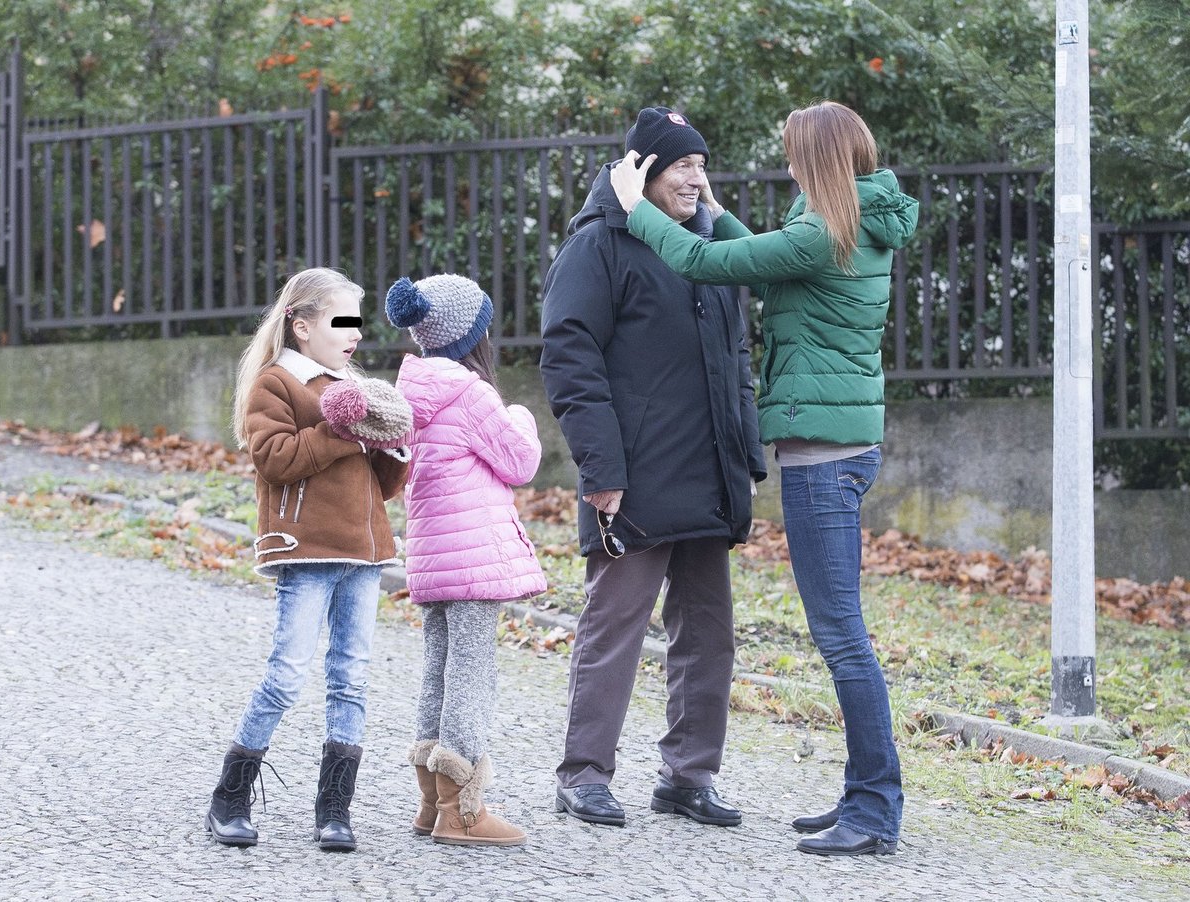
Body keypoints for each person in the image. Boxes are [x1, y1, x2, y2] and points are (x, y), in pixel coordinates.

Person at [610, 100, 919, 856]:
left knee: (842, 638)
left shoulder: (824, 231)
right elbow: (778, 264)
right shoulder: (851, 224)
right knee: (844, 635)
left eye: (791, 153)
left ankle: (875, 809)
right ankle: (863, 793)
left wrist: (634, 209)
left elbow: (703, 263)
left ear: (813, 159)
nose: (785, 164)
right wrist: (718, 210)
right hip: (843, 449)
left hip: (822, 459)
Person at [539, 106, 767, 829]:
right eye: (682, 165)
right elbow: (569, 363)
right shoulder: (597, 246)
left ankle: (687, 777)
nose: (697, 178)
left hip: (708, 477)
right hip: (632, 480)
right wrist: (601, 471)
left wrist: (745, 455)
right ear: (641, 171)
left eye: (703, 164)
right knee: (616, 629)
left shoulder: (708, 245)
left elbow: (736, 363)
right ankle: (583, 774)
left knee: (709, 634)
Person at [205, 267, 411, 853]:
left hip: (365, 553)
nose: (355, 334)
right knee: (287, 673)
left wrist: (395, 444)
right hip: (307, 551)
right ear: (300, 326)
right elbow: (275, 458)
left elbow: (382, 484)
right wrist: (342, 428)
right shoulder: (277, 383)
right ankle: (231, 795)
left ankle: (334, 811)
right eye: (341, 321)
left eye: (358, 323)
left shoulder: (354, 385)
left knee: (352, 679)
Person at [385, 273, 547, 847]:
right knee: (472, 675)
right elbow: (521, 461)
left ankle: (431, 802)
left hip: (431, 558)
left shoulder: (412, 391)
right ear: (473, 335)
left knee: (438, 668)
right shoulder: (473, 394)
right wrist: (523, 415)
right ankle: (464, 810)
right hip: (474, 563)